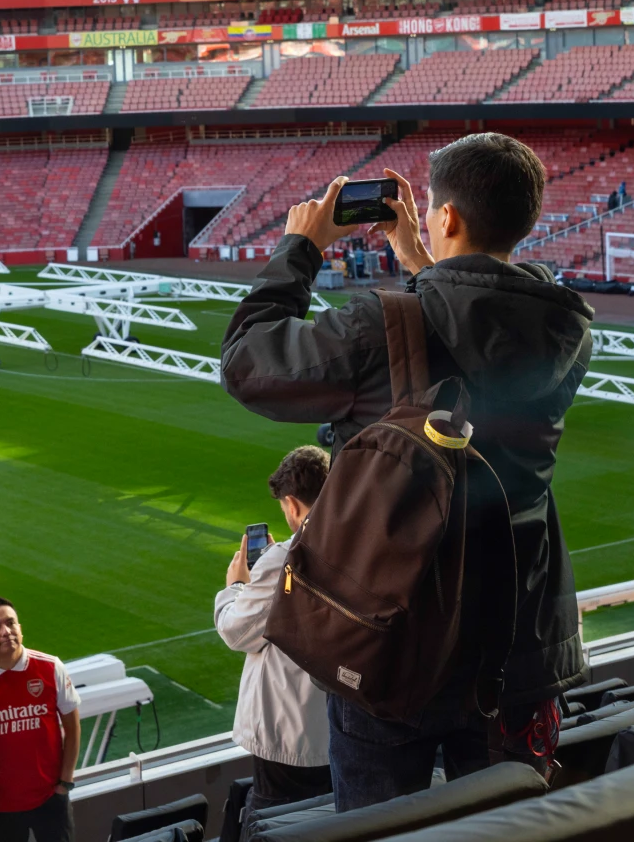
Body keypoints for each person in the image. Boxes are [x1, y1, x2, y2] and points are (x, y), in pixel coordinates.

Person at [221, 132, 594, 810]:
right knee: (507, 827)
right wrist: (424, 263)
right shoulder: (567, 328)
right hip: (519, 645)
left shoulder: (379, 323)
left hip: (393, 641)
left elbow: (248, 365)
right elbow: (477, 327)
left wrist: (301, 246)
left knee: (379, 828)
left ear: (446, 217)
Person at [215, 446, 335, 821]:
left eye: (284, 507)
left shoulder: (284, 559)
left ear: (293, 504)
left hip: (286, 737)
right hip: (336, 730)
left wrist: (235, 587)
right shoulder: (355, 544)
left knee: (276, 822)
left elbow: (237, 633)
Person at [0, 598, 80, 842]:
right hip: (0, 802)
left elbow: (72, 728)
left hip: (51, 796)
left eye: (11, 623)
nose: (6, 631)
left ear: (20, 628)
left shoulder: (51, 667)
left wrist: (65, 782)